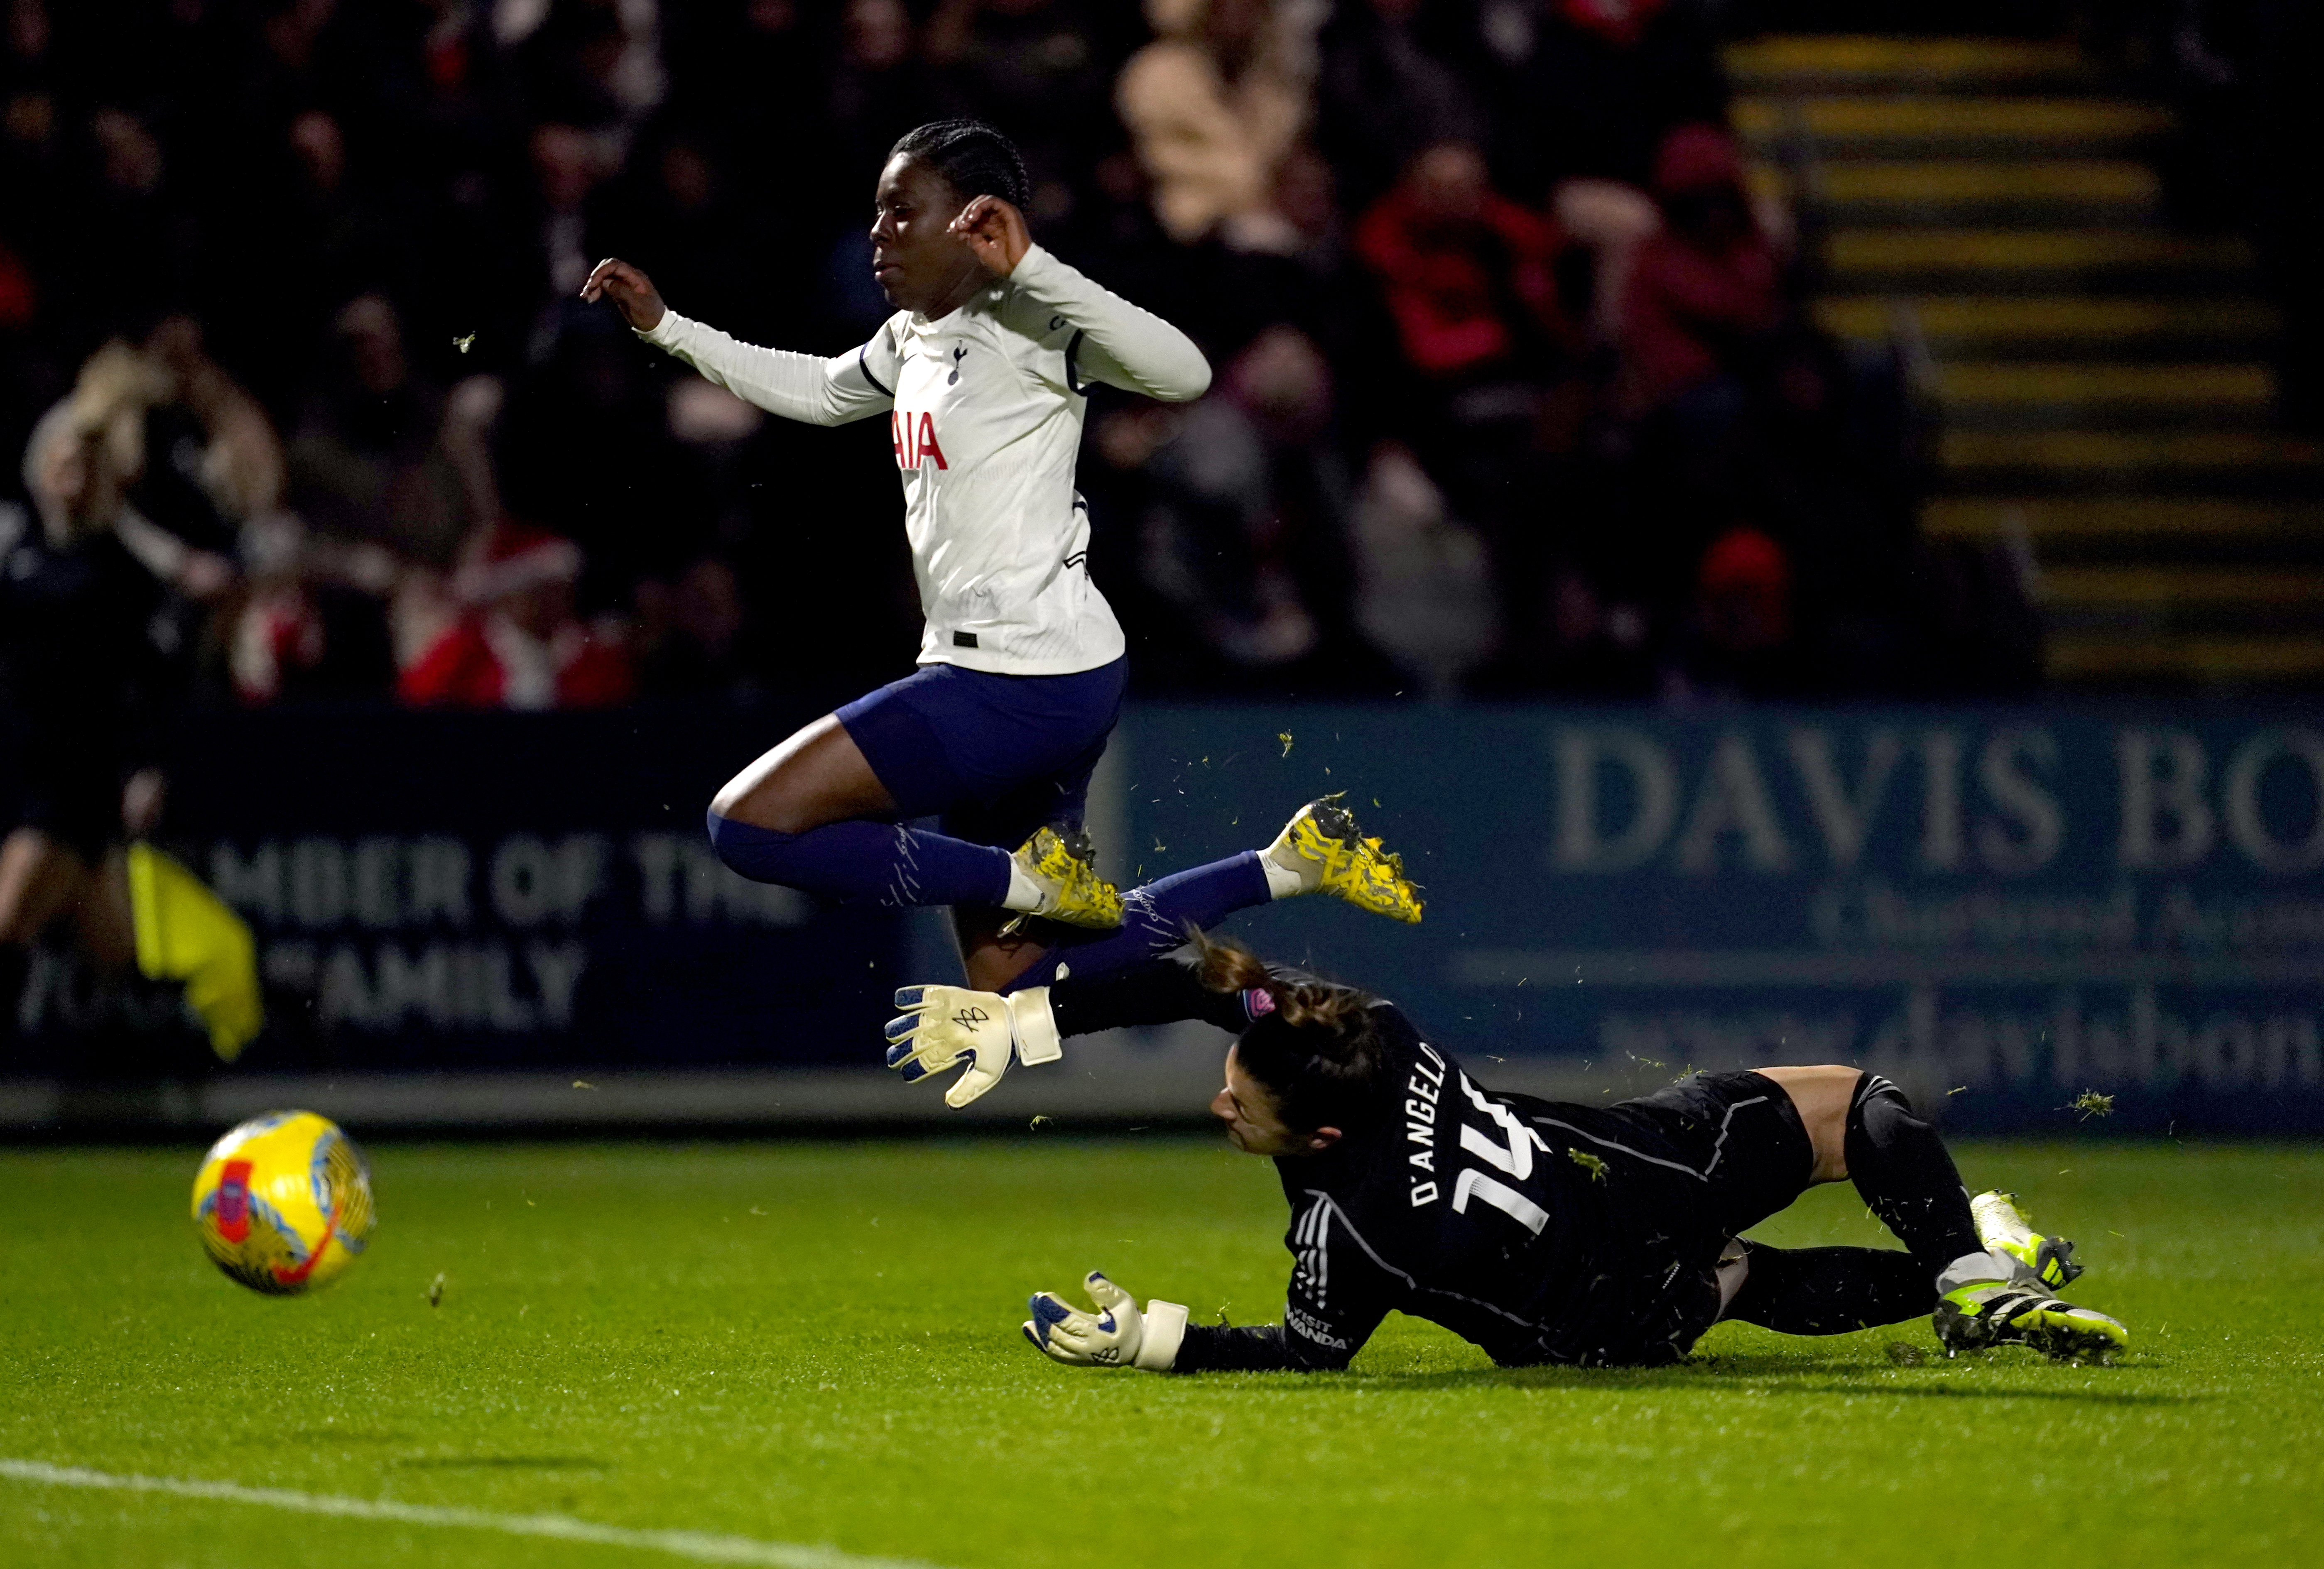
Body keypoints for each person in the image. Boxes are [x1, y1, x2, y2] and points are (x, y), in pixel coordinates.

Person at [583, 119, 1213, 990]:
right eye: (878, 213)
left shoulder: (1033, 318)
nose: (878, 234)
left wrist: (1033, 267)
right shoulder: (914, 335)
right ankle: (1256, 953)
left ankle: (1031, 879)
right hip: (1031, 670)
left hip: (1021, 681)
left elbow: (1184, 374)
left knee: (750, 826)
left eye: (900, 212)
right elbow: (819, 390)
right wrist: (669, 329)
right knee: (1011, 989)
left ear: (977, 224)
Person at [903, 935, 2130, 1369]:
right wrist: (1031, 1019)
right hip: (1643, 1172)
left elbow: (1305, 1352)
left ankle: (1961, 1273)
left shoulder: (1353, 1225)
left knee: (1746, 1281)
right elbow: (1204, 979)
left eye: (1242, 1104)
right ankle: (1974, 1258)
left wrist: (1155, 1339)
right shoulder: (1369, 1030)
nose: (1223, 1105)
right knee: (1860, 1109)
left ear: (1318, 1137)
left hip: (1616, 1325)